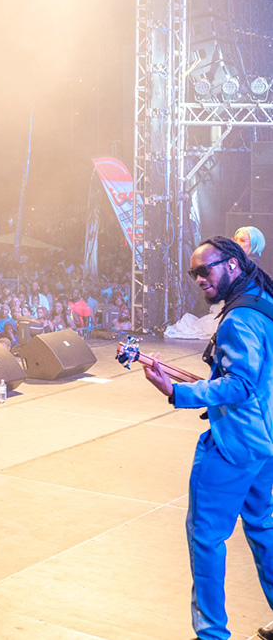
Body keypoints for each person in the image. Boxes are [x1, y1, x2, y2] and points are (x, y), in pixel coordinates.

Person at [140, 236, 273, 640]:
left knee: (206, 539)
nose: (199, 279)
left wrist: (176, 391)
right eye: (193, 273)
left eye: (205, 269)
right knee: (264, 531)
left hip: (234, 445)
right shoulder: (264, 302)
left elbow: (239, 385)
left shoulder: (238, 319)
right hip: (265, 443)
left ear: (232, 264)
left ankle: (211, 634)